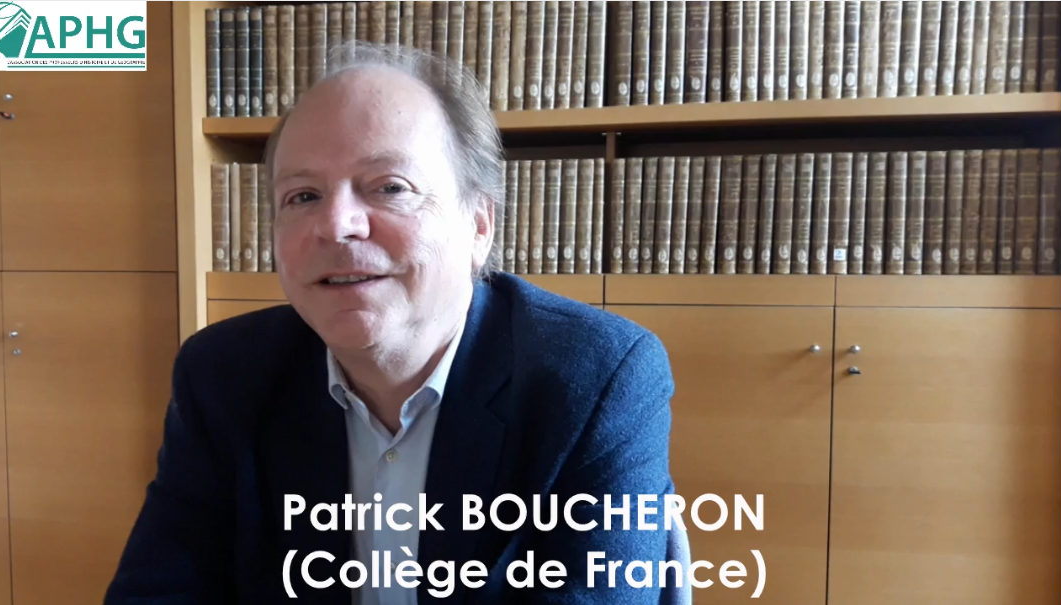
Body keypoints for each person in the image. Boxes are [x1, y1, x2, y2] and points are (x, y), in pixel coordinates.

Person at [104, 42, 678, 605]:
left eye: (390, 188)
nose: (337, 225)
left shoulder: (596, 379)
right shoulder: (223, 375)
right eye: (302, 196)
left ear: (479, 226)